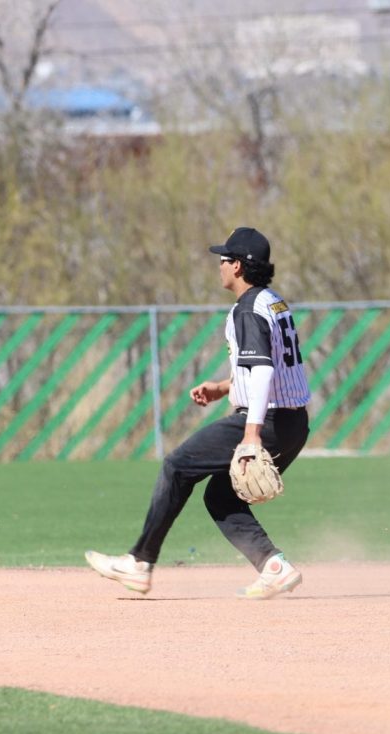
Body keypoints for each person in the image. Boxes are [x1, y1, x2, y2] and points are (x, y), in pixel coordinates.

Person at [86, 227, 312, 599]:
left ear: (238, 266)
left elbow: (264, 371)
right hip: (294, 423)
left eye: (224, 259)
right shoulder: (273, 302)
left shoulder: (247, 309)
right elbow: (271, 363)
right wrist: (224, 387)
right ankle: (273, 566)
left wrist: (251, 435)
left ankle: (139, 562)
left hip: (266, 421)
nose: (219, 265)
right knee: (221, 497)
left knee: (177, 466)